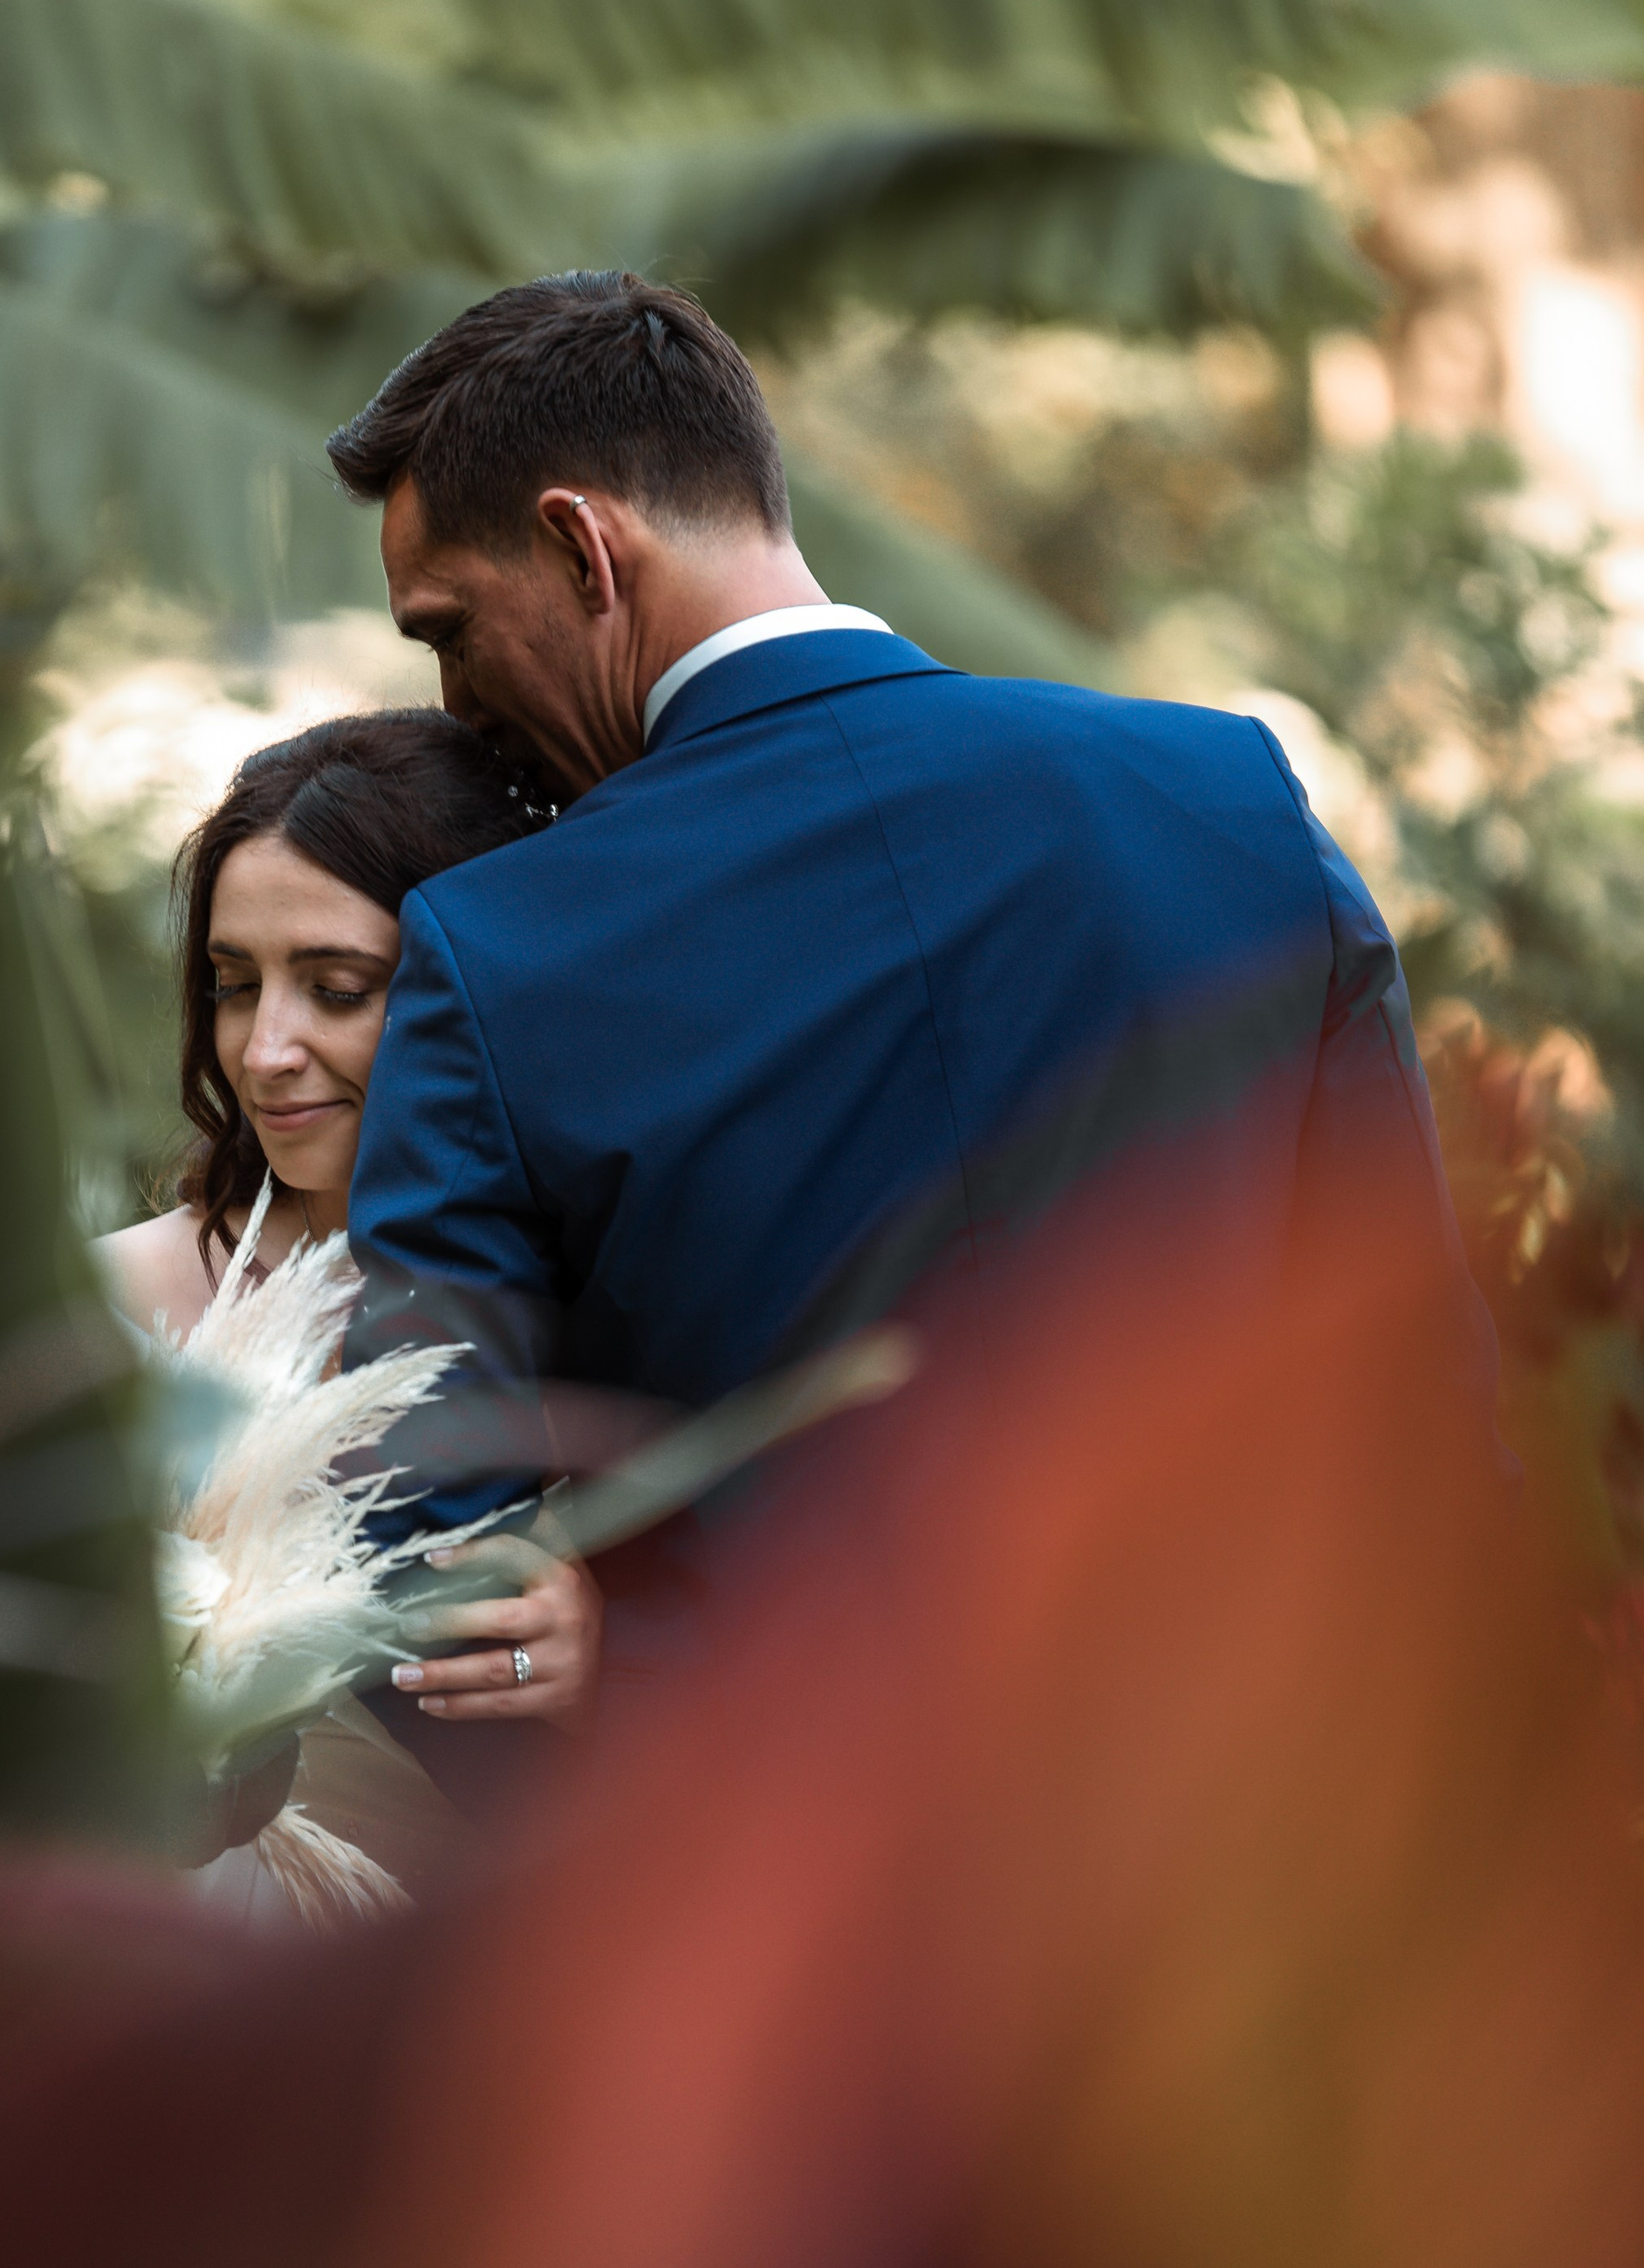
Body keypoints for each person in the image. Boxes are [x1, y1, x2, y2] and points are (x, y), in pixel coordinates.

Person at [326, 270, 1486, 1587]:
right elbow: (1424, 1402)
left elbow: (416, 1565)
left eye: (452, 633)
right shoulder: (1229, 800)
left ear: (585, 547)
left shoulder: (492, 954)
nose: (453, 700)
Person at [101, 709, 602, 1751]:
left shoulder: (605, 1309)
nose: (265, 1050)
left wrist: (605, 1657)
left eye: (337, 989)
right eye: (234, 985)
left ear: (478, 994)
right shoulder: (121, 1304)